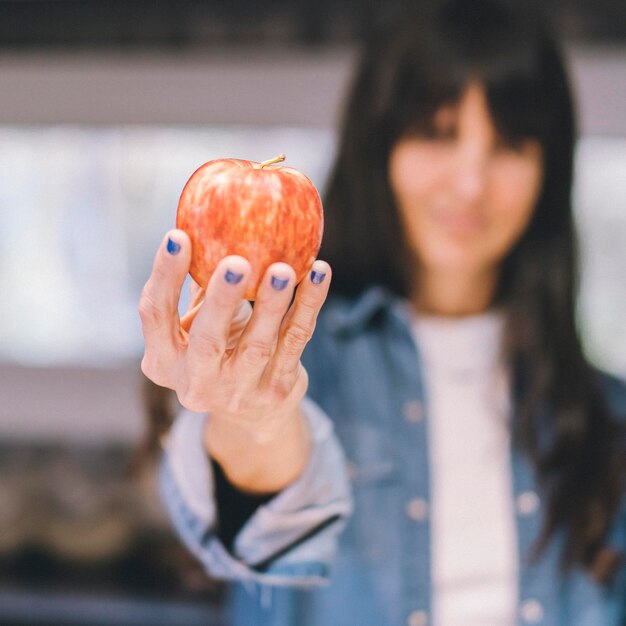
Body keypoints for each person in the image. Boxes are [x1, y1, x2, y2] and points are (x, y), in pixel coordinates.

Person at [138, 0, 626, 624]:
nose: (470, 183)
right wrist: (253, 418)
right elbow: (261, 494)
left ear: (547, 172)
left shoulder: (603, 419)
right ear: (380, 149)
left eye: (510, 143)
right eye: (436, 133)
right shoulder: (301, 363)